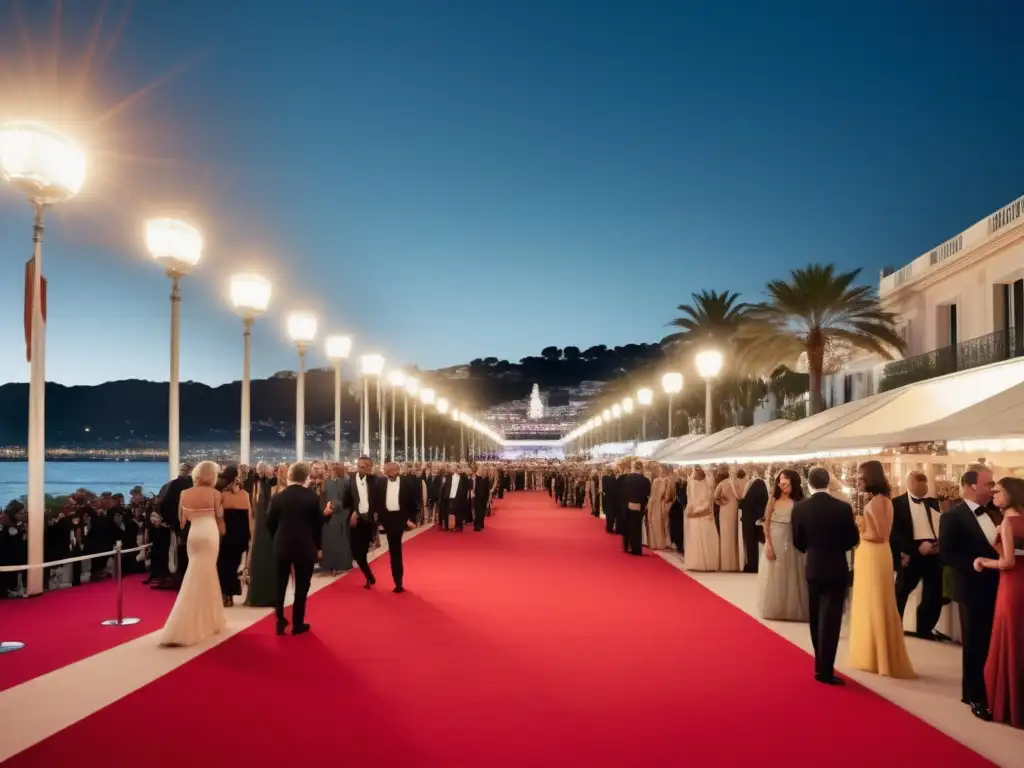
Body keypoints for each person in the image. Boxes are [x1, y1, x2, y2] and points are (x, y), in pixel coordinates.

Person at [940, 465, 1001, 721]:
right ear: (972, 485)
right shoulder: (952, 517)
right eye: (989, 483)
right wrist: (976, 563)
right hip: (972, 586)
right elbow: (947, 554)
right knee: (975, 643)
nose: (993, 488)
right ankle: (974, 695)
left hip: (999, 586)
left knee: (992, 642)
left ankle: (993, 689)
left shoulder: (995, 513)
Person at [846, 461, 915, 679]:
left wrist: (860, 525)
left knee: (874, 602)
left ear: (870, 478)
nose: (858, 481)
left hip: (873, 552)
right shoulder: (884, 500)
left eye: (860, 477)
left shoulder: (876, 502)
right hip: (878, 554)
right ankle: (878, 655)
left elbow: (880, 534)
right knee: (877, 602)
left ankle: (877, 656)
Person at [792, 466, 859, 685]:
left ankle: (819, 664)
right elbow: (852, 539)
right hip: (836, 567)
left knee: (815, 616)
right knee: (830, 621)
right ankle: (825, 669)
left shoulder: (800, 508)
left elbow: (798, 542)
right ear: (829, 481)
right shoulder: (842, 508)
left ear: (808, 483)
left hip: (813, 566)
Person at [159, 461, 227, 647]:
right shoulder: (215, 494)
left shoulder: (184, 493)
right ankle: (199, 622)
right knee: (206, 575)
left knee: (196, 572)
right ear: (212, 475)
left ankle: (206, 621)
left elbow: (182, 521)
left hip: (193, 535)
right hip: (209, 533)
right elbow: (220, 519)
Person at [973, 476, 1024, 729]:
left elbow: (1007, 563)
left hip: (1012, 587)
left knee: (1007, 641)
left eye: (999, 491)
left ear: (1011, 494)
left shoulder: (1008, 523)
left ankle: (1003, 706)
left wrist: (983, 561)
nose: (994, 493)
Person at [266, 461, 332, 636]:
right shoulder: (311, 497)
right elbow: (318, 524)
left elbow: (269, 522)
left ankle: (280, 620)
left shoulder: (278, 497)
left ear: (289, 476)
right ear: (306, 477)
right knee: (302, 587)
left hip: (281, 545)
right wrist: (327, 515)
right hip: (305, 546)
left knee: (280, 584)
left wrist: (277, 537)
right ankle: (297, 623)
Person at [892, 470, 945, 640]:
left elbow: (938, 524)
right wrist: (915, 549)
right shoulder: (896, 504)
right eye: (919, 483)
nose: (923, 487)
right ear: (909, 483)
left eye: (925, 483)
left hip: (933, 551)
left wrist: (938, 544)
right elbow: (895, 533)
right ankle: (894, 628)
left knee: (933, 593)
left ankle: (925, 629)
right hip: (911, 552)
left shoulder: (933, 502)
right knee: (901, 591)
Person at [758, 469, 809, 621]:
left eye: (786, 479)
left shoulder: (799, 501)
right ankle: (777, 609)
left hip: (793, 541)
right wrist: (768, 544)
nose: (783, 483)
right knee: (776, 574)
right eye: (781, 479)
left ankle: (793, 609)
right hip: (775, 540)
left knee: (793, 574)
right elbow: (765, 524)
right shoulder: (773, 500)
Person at [371, 461, 419, 592]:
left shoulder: (408, 482)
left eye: (391, 470)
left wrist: (412, 519)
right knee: (394, 549)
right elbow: (376, 501)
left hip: (400, 517)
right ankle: (397, 580)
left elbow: (414, 502)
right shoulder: (380, 483)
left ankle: (398, 581)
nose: (389, 473)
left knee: (395, 549)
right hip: (386, 519)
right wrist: (377, 518)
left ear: (397, 470)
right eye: (387, 470)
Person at [347, 455, 379, 588]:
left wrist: (377, 513)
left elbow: (379, 498)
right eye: (359, 466)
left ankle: (369, 578)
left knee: (362, 553)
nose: (360, 468)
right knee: (356, 552)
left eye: (364, 467)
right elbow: (347, 500)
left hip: (368, 520)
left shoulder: (375, 480)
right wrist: (353, 512)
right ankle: (370, 577)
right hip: (356, 520)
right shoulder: (350, 480)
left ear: (369, 468)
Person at [320, 462, 353, 575]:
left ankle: (338, 564)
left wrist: (333, 505)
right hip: (332, 514)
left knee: (337, 540)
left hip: (339, 514)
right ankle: (333, 564)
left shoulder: (344, 482)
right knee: (333, 540)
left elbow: (347, 498)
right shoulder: (328, 482)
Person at [619, 460, 651, 556]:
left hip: (627, 504)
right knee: (636, 528)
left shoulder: (627, 478)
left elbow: (623, 492)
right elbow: (648, 495)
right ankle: (636, 549)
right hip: (638, 505)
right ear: (642, 468)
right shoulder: (645, 480)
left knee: (627, 526)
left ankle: (626, 545)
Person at [740, 469, 768, 573]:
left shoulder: (749, 495)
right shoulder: (764, 493)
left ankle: (752, 565)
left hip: (748, 520)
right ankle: (761, 564)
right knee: (761, 543)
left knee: (750, 545)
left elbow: (742, 505)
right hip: (759, 520)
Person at [471, 464, 491, 531]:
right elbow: (473, 487)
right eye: (481, 469)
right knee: (478, 512)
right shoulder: (475, 478)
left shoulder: (486, 479)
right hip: (477, 497)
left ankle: (481, 524)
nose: (483, 471)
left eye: (484, 470)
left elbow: (487, 490)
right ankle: (476, 526)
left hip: (484, 497)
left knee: (482, 511)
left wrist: (488, 498)